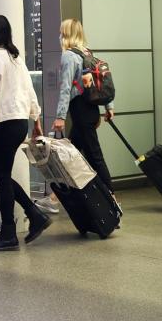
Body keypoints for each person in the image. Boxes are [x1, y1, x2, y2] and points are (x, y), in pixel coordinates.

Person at [0, 14, 51, 251]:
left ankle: (9, 233)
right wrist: (36, 120)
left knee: (0, 175)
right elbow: (30, 92)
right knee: (0, 175)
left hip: (4, 121)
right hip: (19, 122)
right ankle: (33, 216)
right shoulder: (15, 57)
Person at [52, 18, 114, 192]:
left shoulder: (69, 56)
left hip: (80, 111)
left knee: (94, 156)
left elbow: (65, 88)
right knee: (71, 155)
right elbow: (101, 81)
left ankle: (111, 196)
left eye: (61, 32)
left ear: (66, 34)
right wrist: (109, 107)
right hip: (91, 110)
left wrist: (60, 117)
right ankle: (57, 197)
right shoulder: (87, 53)